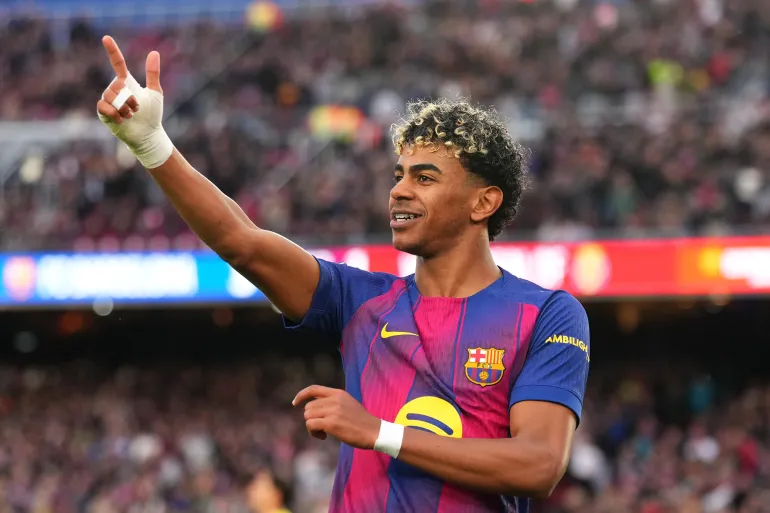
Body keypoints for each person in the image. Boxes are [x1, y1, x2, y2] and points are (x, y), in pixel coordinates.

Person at [96, 35, 590, 513]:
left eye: (425, 177)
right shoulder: (359, 301)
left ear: (484, 201)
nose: (398, 191)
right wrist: (152, 144)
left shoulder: (546, 314)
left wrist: (379, 432)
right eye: (399, 175)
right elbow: (242, 242)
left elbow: (539, 464)